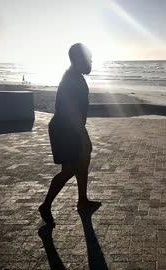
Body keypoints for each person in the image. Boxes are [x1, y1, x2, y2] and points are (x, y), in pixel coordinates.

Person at [39, 43, 101, 226]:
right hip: (64, 130)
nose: (91, 62)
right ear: (78, 59)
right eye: (89, 58)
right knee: (70, 168)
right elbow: (72, 111)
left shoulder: (74, 76)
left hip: (70, 127)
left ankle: (83, 200)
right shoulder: (72, 79)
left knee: (83, 160)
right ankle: (45, 205)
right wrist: (83, 136)